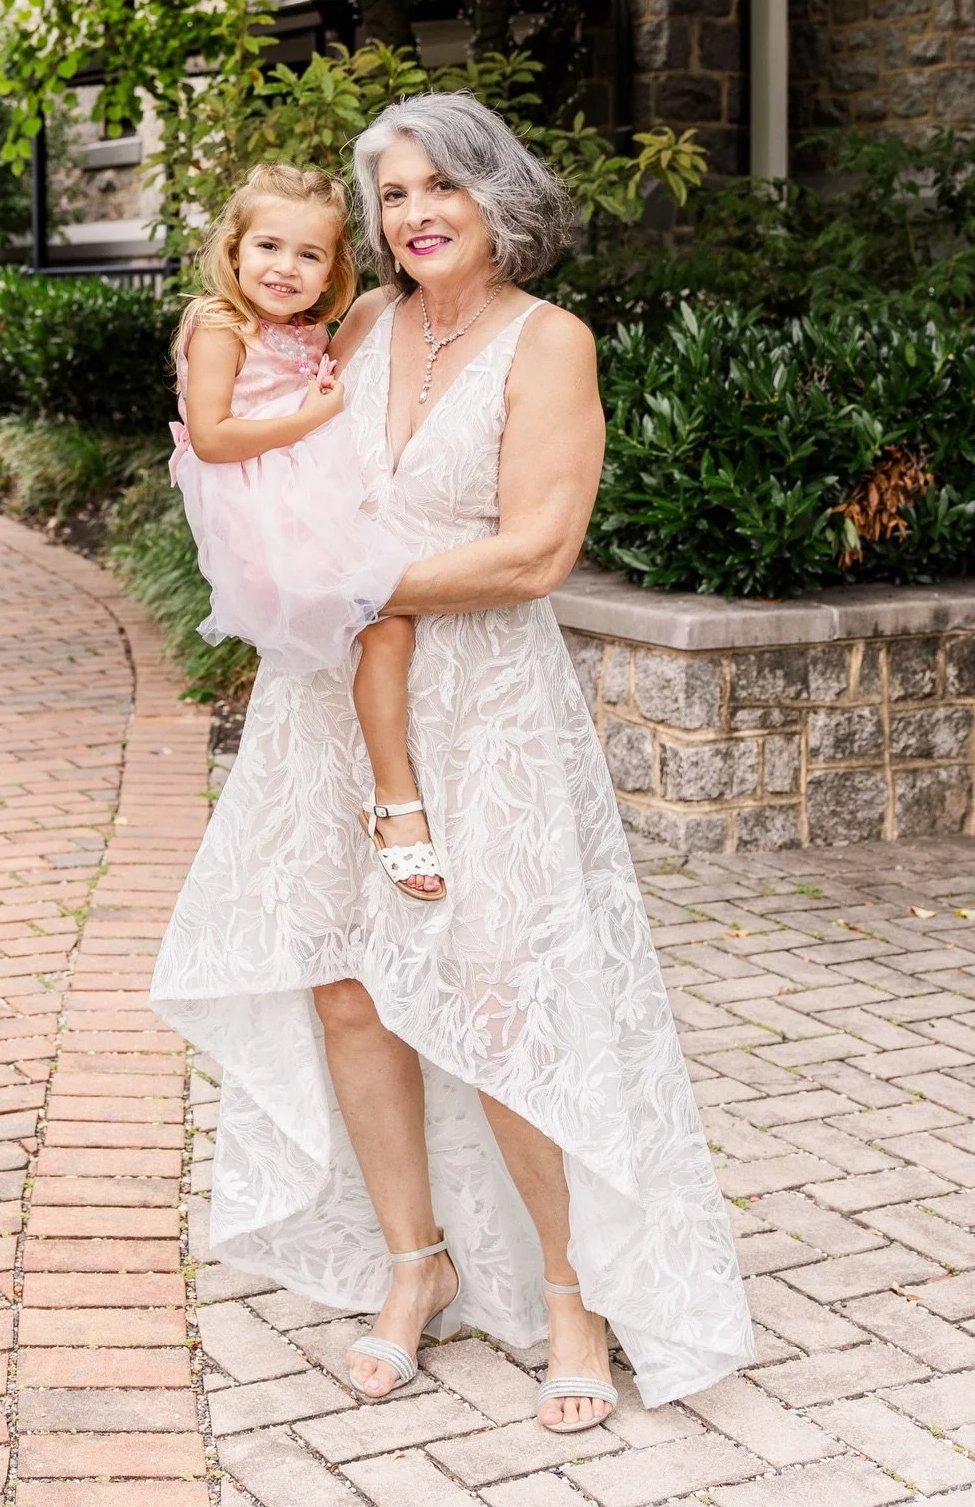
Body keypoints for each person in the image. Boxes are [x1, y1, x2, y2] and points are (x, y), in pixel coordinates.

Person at [151, 95, 753, 1429]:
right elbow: (249, 451)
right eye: (396, 195)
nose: (415, 215)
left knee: (500, 1000)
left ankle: (569, 1292)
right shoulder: (355, 327)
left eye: (443, 190)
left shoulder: (551, 345)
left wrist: (350, 588)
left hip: (481, 711)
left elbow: (536, 553)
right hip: (330, 704)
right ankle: (413, 1267)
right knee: (350, 992)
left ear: (498, 201)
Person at [171, 159, 446, 899]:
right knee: (384, 620)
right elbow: (213, 436)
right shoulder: (219, 325)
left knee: (383, 626)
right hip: (264, 511)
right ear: (234, 251)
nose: (285, 268)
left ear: (331, 274)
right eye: (269, 247)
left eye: (308, 254)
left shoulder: (305, 329)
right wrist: (316, 416)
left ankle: (375, 789)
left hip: (304, 489)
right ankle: (397, 801)